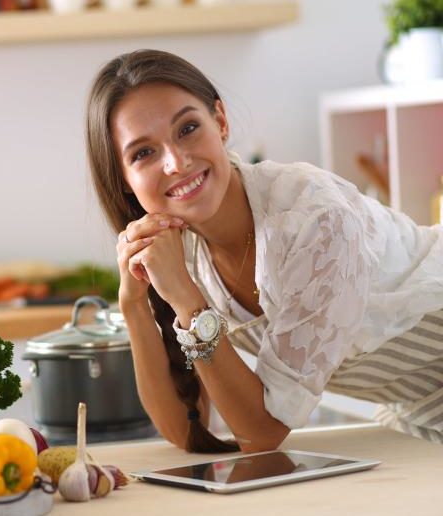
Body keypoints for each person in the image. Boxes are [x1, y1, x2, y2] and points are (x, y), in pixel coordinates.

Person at [86, 49, 443, 453]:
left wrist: (188, 302)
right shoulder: (177, 251)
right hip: (414, 412)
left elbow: (264, 432)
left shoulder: (314, 220)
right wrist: (133, 304)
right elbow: (188, 430)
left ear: (220, 122)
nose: (177, 162)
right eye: (144, 153)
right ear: (124, 179)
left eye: (187, 128)